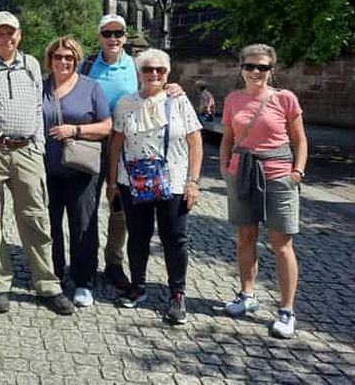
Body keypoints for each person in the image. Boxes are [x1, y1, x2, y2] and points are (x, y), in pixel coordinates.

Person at [0, 11, 73, 316]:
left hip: (26, 151)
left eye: (11, 32)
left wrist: (38, 146)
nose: (6, 38)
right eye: (0, 33)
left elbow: (37, 107)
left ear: (19, 35)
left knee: (36, 217)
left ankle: (47, 283)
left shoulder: (31, 64)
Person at [107, 49, 202, 324]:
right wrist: (111, 182)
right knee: (138, 236)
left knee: (174, 238)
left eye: (160, 70)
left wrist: (193, 181)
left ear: (168, 73)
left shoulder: (179, 100)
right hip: (133, 181)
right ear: (139, 73)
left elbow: (195, 142)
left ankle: (177, 294)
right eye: (148, 69)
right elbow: (116, 144)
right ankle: (138, 286)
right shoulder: (126, 103)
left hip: (173, 181)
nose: (154, 74)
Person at [219, 44, 307, 339]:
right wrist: (224, 169)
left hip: (279, 176)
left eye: (263, 67)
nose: (255, 71)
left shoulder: (285, 98)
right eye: (250, 66)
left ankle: (287, 310)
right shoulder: (233, 99)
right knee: (245, 237)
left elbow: (300, 139)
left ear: (272, 70)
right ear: (241, 68)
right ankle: (247, 295)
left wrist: (298, 172)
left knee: (282, 244)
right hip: (242, 172)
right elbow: (227, 138)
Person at [41, 36, 112, 308]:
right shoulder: (41, 86)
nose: (63, 61)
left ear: (76, 60)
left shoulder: (90, 87)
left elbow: (107, 126)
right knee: (50, 224)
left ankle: (83, 280)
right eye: (58, 57)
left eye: (69, 57)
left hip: (82, 170)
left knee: (82, 224)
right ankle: (55, 274)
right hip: (47, 167)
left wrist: (76, 130)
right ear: (50, 59)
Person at [79, 14, 137, 291]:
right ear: (99, 36)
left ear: (125, 37)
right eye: (107, 33)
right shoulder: (87, 64)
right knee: (87, 204)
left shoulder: (136, 66)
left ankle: (114, 262)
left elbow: (156, 88)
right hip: (93, 142)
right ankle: (86, 262)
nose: (113, 38)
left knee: (119, 206)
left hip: (127, 144)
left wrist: (172, 87)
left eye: (118, 33)